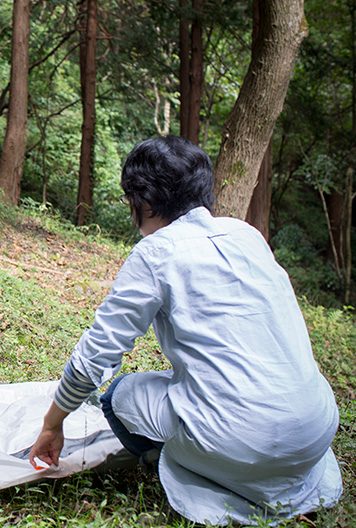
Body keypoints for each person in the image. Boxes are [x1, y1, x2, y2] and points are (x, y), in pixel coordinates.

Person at [28, 135, 342, 525]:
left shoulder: (156, 251)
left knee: (117, 397)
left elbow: (95, 357)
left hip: (238, 439)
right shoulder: (247, 235)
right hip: (315, 431)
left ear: (143, 203)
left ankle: (203, 473)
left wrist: (52, 424)